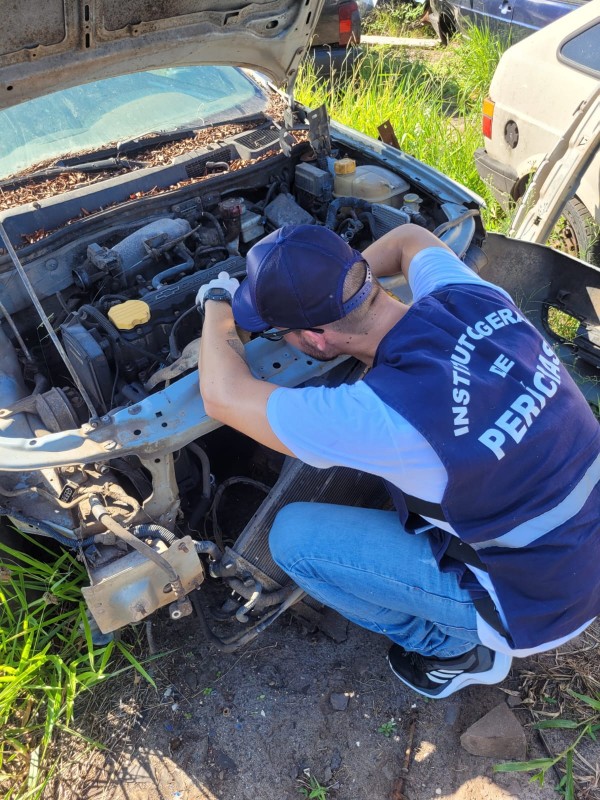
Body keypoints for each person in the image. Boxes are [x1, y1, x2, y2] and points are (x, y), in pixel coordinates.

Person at [196, 223, 600, 699]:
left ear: (317, 340)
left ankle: (455, 652)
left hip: (544, 601)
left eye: (283, 333)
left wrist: (216, 303)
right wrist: (333, 291)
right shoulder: (472, 294)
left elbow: (222, 397)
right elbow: (409, 236)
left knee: (294, 538)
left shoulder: (382, 416)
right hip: (583, 536)